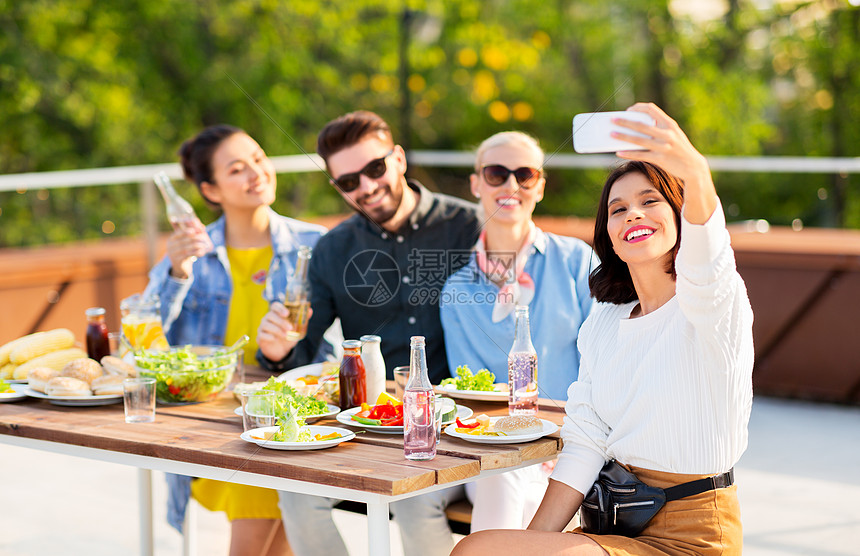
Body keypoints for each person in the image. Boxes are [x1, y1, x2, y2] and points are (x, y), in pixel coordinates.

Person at [452, 103, 753, 555]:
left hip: (692, 535)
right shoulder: (606, 320)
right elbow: (587, 440)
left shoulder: (710, 304)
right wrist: (531, 546)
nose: (633, 214)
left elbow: (709, 259)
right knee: (480, 548)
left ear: (679, 214)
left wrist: (694, 170)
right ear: (608, 233)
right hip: (612, 522)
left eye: (650, 201)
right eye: (618, 209)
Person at [256, 110, 480, 556]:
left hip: (458, 425)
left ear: (398, 158)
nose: (367, 187)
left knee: (414, 500)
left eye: (375, 168)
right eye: (348, 182)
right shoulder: (332, 249)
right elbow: (302, 351)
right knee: (295, 492)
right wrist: (277, 351)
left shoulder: (472, 227)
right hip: (369, 425)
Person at [145, 124, 327, 556]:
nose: (256, 173)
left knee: (286, 507)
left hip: (295, 413)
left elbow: (335, 342)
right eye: (237, 169)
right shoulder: (193, 254)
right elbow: (143, 329)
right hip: (217, 422)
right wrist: (177, 272)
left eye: (259, 159)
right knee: (267, 486)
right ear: (211, 189)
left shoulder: (314, 245)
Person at [440, 131, 596, 531]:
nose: (511, 185)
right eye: (496, 173)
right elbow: (470, 391)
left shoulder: (576, 260)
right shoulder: (456, 289)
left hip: (574, 450)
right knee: (506, 476)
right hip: (496, 451)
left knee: (527, 498)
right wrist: (516, 444)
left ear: (539, 187)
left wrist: (562, 444)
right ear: (476, 184)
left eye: (524, 174)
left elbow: (604, 364)